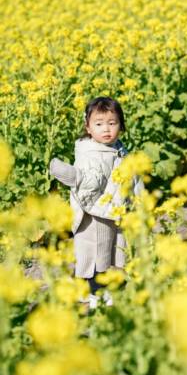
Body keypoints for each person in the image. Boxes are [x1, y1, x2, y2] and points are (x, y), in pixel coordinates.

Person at [49, 96, 143, 308]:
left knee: (113, 251)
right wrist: (71, 175)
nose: (106, 129)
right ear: (88, 128)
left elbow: (132, 176)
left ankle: (100, 288)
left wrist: (141, 198)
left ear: (121, 125)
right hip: (95, 215)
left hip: (113, 211)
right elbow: (89, 180)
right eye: (99, 124)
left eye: (112, 123)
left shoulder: (118, 148)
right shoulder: (90, 153)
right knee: (94, 253)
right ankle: (92, 293)